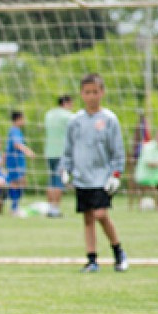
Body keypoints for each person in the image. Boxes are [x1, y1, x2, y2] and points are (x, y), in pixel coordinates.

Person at [61, 73, 127, 273]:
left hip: (101, 177)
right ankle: (92, 259)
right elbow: (68, 149)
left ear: (102, 92)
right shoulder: (76, 121)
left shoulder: (109, 119)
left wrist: (116, 174)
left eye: (95, 92)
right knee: (88, 218)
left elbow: (117, 151)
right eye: (87, 92)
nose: (91, 96)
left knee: (100, 214)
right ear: (81, 94)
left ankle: (118, 251)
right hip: (82, 177)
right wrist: (65, 168)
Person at [43, 94, 76, 218]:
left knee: (51, 181)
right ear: (66, 103)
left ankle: (50, 208)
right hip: (62, 151)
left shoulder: (49, 114)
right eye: (71, 104)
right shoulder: (68, 116)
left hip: (49, 151)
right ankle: (55, 209)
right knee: (59, 181)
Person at [5, 110, 36, 217]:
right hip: (14, 162)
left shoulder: (16, 130)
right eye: (23, 119)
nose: (24, 121)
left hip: (18, 161)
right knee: (15, 183)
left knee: (22, 182)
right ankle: (14, 208)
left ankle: (15, 206)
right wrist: (28, 151)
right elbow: (17, 144)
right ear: (18, 119)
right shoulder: (14, 130)